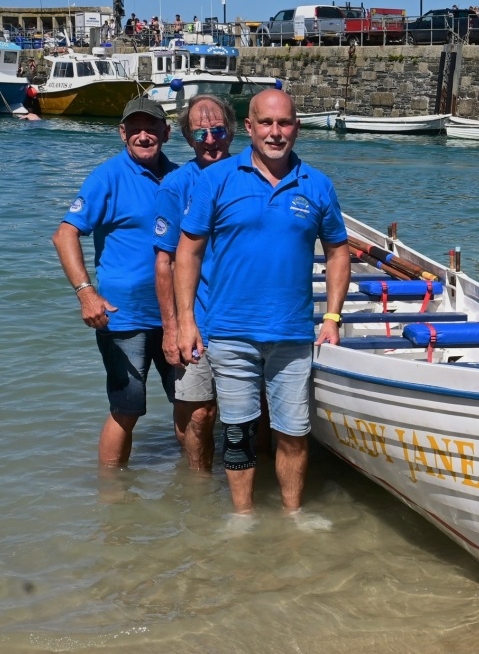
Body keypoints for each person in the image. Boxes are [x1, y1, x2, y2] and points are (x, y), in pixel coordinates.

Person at [174, 90, 351, 515]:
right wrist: (185, 321)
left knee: (293, 432)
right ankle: (243, 516)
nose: (276, 132)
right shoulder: (216, 179)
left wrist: (332, 317)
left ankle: (292, 514)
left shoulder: (318, 184)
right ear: (249, 127)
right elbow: (188, 250)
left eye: (285, 123)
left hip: (292, 334)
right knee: (237, 431)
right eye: (266, 123)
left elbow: (338, 251)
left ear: (297, 127)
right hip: (230, 332)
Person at [51, 96, 177, 467]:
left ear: (166, 133)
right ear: (122, 133)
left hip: (177, 315)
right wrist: (86, 294)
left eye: (151, 127)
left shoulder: (181, 176)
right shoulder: (107, 176)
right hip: (123, 318)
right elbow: (64, 234)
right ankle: (112, 505)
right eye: (135, 128)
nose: (143, 135)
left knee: (193, 405)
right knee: (127, 409)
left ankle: (197, 493)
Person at [153, 95, 237, 472]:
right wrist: (172, 328)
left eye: (217, 130)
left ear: (232, 131)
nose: (209, 139)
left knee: (258, 412)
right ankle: (198, 487)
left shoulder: (252, 174)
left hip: (245, 316)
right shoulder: (175, 185)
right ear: (187, 139)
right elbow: (165, 261)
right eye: (199, 133)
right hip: (197, 318)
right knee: (199, 413)